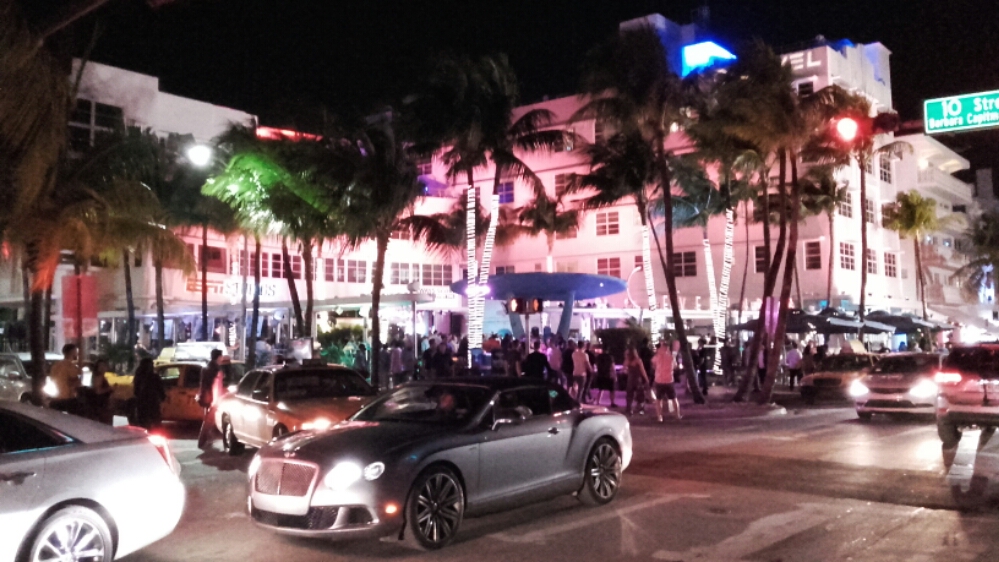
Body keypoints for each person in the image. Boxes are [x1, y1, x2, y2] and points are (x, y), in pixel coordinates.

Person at [197, 349, 223, 448]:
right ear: (218, 357)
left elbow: (203, 384)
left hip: (205, 396)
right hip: (212, 397)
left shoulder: (206, 367)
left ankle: (207, 440)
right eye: (221, 356)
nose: (222, 358)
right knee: (209, 420)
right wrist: (216, 399)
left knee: (208, 419)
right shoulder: (215, 369)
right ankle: (203, 441)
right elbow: (215, 385)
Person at [132, 357, 165, 430]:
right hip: (152, 403)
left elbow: (136, 392)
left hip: (142, 403)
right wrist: (162, 398)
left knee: (143, 425)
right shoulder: (154, 377)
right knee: (156, 424)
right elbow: (160, 390)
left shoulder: (138, 377)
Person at [652, 342, 680, 421]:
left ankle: (659, 416)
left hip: (659, 380)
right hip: (669, 380)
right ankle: (677, 415)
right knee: (674, 398)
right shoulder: (671, 357)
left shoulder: (656, 357)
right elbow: (675, 366)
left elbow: (653, 366)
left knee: (659, 400)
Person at [49, 343, 82, 407]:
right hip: (67, 398)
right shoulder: (71, 367)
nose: (77, 354)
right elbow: (75, 382)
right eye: (76, 352)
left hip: (55, 397)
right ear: (72, 352)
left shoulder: (55, 366)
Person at [624, 346, 653, 416]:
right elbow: (643, 371)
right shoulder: (638, 360)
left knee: (629, 395)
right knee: (640, 395)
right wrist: (647, 379)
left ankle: (629, 410)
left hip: (630, 379)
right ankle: (641, 410)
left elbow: (624, 370)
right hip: (637, 380)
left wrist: (628, 371)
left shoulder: (627, 360)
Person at [89, 358, 114, 425]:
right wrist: (109, 389)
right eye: (101, 366)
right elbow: (98, 391)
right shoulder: (98, 376)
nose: (103, 368)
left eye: (104, 365)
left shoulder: (101, 376)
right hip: (101, 406)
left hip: (103, 405)